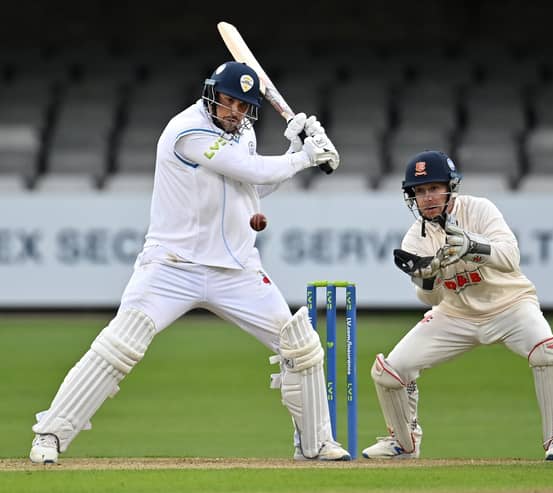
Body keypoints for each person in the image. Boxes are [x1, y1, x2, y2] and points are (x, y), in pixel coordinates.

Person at [29, 61, 351, 463]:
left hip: (236, 269)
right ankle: (51, 435)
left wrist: (291, 153)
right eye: (228, 101)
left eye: (243, 106)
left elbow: (251, 186)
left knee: (300, 344)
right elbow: (246, 167)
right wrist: (304, 158)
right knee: (120, 343)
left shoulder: (244, 132)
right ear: (212, 95)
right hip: (171, 265)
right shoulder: (187, 130)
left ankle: (315, 444)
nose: (234, 112)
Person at [362, 150, 553, 461]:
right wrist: (426, 277)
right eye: (420, 192)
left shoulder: (479, 210)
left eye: (434, 188)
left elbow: (510, 257)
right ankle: (403, 443)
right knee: (389, 373)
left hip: (510, 305)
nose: (428, 198)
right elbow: (431, 299)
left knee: (552, 352)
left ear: (451, 187)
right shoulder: (414, 239)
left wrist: (471, 246)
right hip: (456, 314)